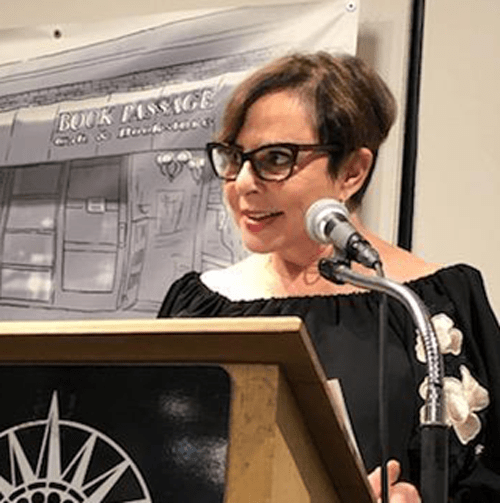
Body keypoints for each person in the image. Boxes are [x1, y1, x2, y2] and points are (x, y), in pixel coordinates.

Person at [158, 52, 500, 501]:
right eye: (234, 158)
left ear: (353, 171)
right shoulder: (198, 304)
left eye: (275, 159)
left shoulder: (431, 303)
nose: (242, 183)